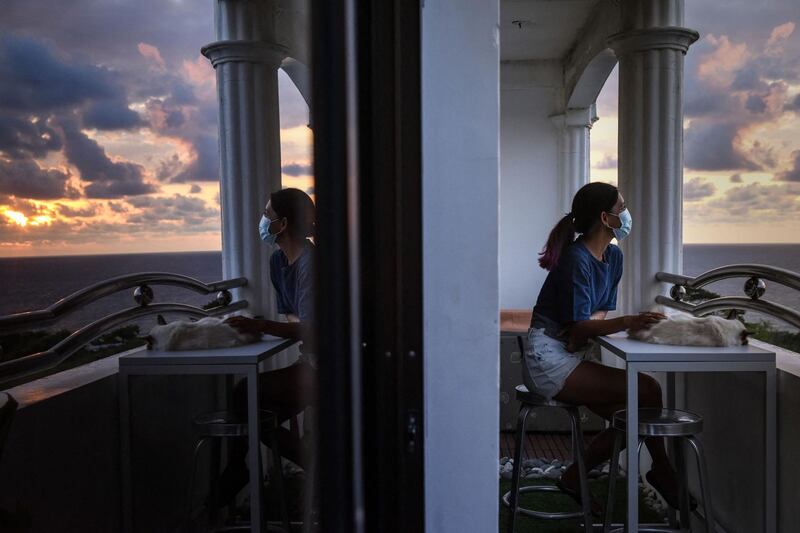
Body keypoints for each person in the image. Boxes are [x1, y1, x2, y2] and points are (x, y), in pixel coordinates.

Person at [525, 181, 684, 514]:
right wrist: (622, 323)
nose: (627, 214)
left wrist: (583, 329)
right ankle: (663, 471)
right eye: (621, 207)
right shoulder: (575, 259)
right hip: (549, 358)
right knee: (648, 390)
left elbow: (595, 314)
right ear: (605, 218)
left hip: (571, 351)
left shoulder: (613, 257)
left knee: (636, 417)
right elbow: (584, 323)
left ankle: (574, 477)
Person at [218, 187, 317, 505]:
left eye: (266, 214)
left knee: (245, 397)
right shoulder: (279, 262)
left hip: (330, 367)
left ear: (283, 224)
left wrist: (259, 325)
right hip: (310, 362)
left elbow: (308, 329)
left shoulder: (311, 265)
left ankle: (241, 470)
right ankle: (310, 469)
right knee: (256, 410)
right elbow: (293, 320)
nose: (262, 220)